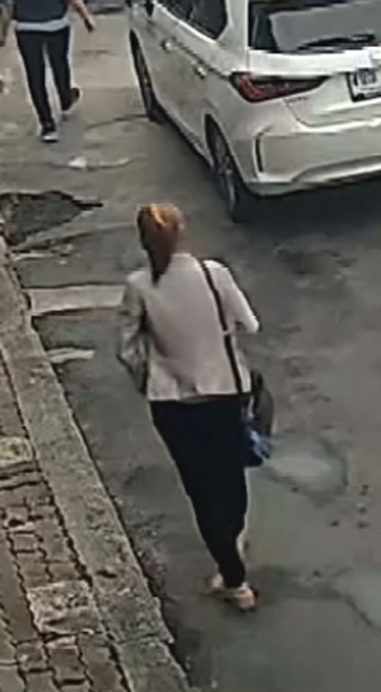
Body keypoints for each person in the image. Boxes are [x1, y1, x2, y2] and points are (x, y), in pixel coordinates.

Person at [117, 203, 259, 612]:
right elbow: (249, 324)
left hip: (173, 405)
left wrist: (152, 375)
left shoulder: (139, 286)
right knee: (230, 476)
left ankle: (233, 577)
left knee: (200, 489)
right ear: (182, 232)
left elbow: (126, 348)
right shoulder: (214, 275)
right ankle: (233, 546)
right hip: (224, 393)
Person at [0, 0, 95, 142]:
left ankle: (47, 124)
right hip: (56, 24)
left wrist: (3, 32)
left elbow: (9, 5)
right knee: (60, 65)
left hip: (26, 28)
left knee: (35, 75)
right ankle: (66, 99)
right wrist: (85, 16)